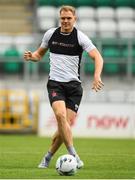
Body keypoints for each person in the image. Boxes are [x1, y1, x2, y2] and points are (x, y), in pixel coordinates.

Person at [24, 5, 104, 169]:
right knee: (60, 116)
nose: (65, 21)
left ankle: (47, 157)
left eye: (69, 18)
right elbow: (39, 54)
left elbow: (98, 57)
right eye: (63, 18)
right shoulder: (50, 34)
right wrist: (32, 56)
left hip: (74, 88)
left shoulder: (80, 37)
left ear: (74, 19)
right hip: (55, 84)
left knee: (63, 127)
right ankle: (74, 155)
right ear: (59, 19)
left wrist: (97, 76)